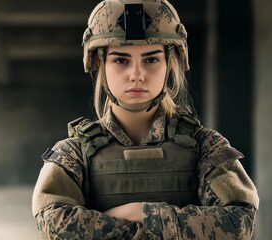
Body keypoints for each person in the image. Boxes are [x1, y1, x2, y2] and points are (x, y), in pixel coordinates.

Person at [32, 0, 259, 239]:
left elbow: (239, 222)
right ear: (99, 63)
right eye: (121, 60)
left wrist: (142, 212)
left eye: (151, 60)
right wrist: (161, 227)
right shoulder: (74, 153)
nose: (137, 75)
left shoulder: (205, 146)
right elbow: (55, 224)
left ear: (170, 62)